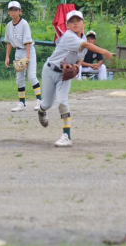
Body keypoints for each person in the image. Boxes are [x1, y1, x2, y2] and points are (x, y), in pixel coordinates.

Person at [38, 10, 113, 147]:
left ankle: (66, 136)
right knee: (47, 104)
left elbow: (79, 59)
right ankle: (41, 110)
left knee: (62, 102)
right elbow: (86, 46)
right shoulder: (68, 36)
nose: (75, 23)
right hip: (50, 70)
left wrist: (77, 67)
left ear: (83, 23)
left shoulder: (83, 38)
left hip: (64, 74)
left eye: (78, 20)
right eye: (71, 21)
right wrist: (104, 52)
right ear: (67, 26)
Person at [4, 1, 42, 112]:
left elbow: (28, 42)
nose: (13, 12)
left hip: (28, 51)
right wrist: (7, 57)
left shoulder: (24, 24)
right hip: (18, 52)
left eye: (16, 10)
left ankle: (39, 101)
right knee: (19, 79)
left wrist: (28, 58)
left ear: (20, 12)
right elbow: (9, 42)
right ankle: (22, 103)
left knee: (31, 76)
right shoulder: (9, 26)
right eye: (11, 10)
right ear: (8, 12)